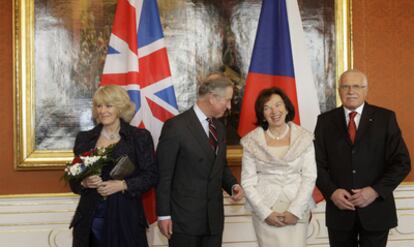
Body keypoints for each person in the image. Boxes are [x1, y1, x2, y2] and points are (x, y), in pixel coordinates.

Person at [314, 69, 411, 247]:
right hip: (339, 212)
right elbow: (316, 165)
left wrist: (374, 191)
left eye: (357, 86)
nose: (351, 91)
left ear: (366, 90)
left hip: (376, 211)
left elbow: (402, 163)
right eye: (345, 86)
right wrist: (332, 192)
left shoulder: (385, 118)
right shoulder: (324, 121)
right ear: (339, 90)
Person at [156, 72, 244, 247]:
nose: (228, 107)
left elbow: (220, 165)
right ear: (212, 97)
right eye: (226, 100)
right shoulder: (175, 127)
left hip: (213, 220)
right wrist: (163, 215)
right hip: (183, 220)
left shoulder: (219, 128)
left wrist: (233, 185)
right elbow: (163, 176)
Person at [69, 85, 158, 247]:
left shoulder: (139, 137)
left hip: (126, 217)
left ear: (120, 107)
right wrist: (84, 182)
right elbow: (73, 179)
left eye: (108, 105)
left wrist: (122, 185)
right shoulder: (85, 139)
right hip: (90, 219)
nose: (102, 111)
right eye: (99, 106)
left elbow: (151, 175)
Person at [240, 87, 317, 247]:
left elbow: (309, 177)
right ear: (262, 114)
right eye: (267, 108)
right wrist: (265, 213)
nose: (274, 111)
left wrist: (295, 211)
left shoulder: (304, 137)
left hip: (296, 208)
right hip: (266, 210)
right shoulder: (251, 141)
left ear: (287, 108)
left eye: (278, 105)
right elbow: (247, 181)